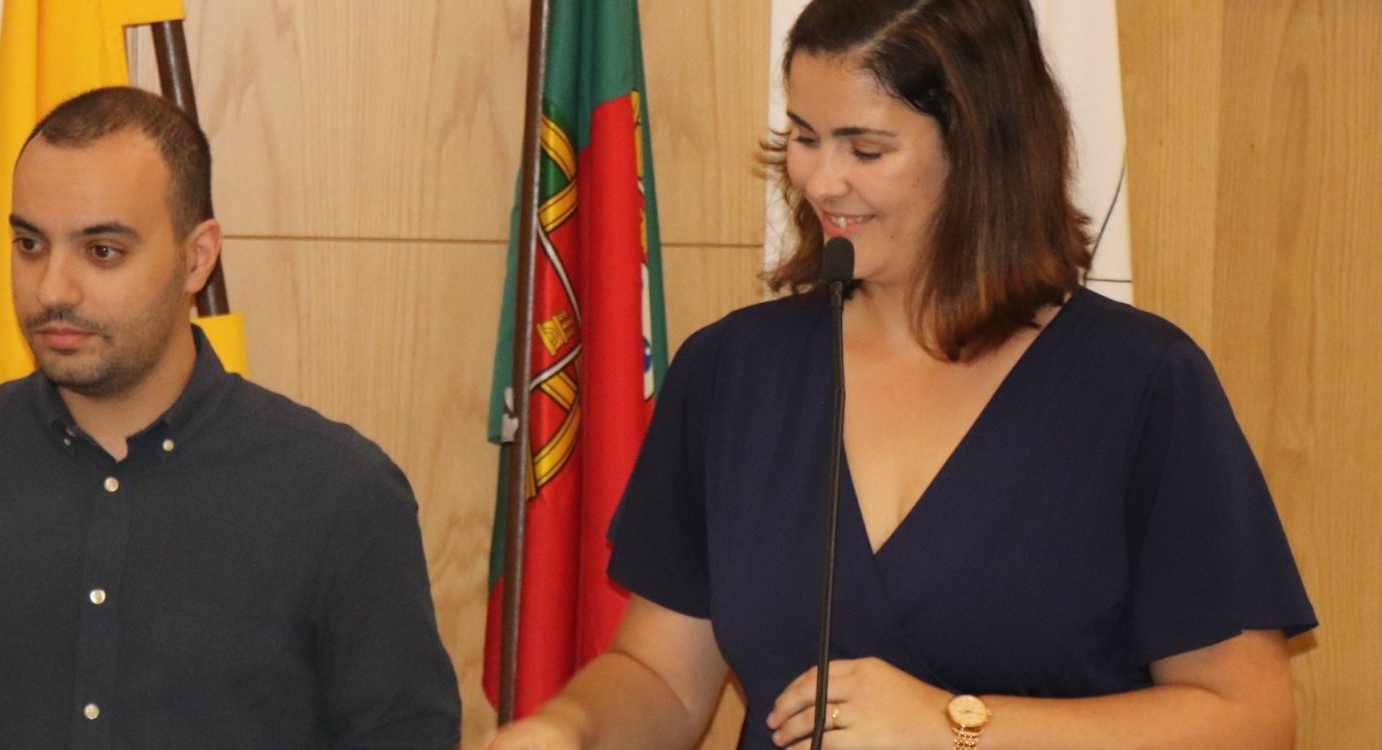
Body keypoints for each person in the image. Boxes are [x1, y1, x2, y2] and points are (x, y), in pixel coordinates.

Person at [487, 0, 1315, 748]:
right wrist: (567, 729)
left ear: (981, 149)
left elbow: (1249, 720)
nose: (820, 181)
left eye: (866, 148)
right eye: (804, 137)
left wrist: (959, 727)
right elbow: (663, 678)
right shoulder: (730, 372)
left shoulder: (1142, 384)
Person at [0, 87, 460, 749]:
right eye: (30, 244)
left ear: (197, 257)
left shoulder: (340, 495)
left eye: (102, 251)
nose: (52, 289)